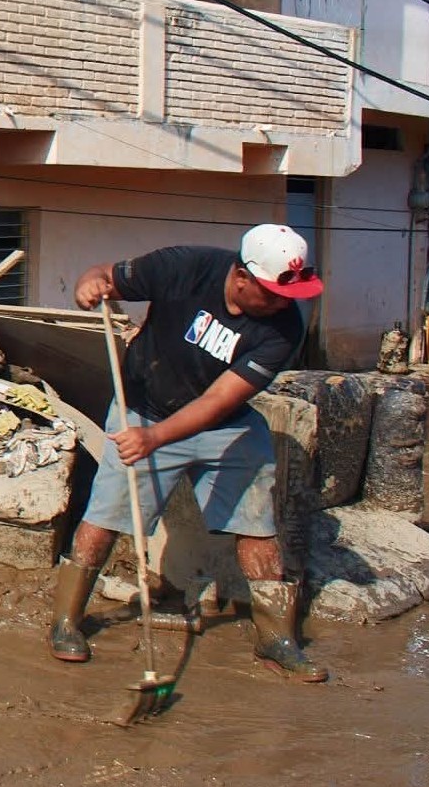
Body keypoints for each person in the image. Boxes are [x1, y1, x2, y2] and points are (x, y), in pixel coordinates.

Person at [49, 223, 328, 682]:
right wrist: (89, 283)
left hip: (224, 425)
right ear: (241, 276)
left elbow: (219, 401)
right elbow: (105, 275)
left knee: (257, 524)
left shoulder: (284, 329)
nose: (285, 302)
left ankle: (276, 639)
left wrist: (156, 440)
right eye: (275, 292)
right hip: (143, 407)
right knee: (106, 516)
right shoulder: (183, 266)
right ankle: (66, 621)